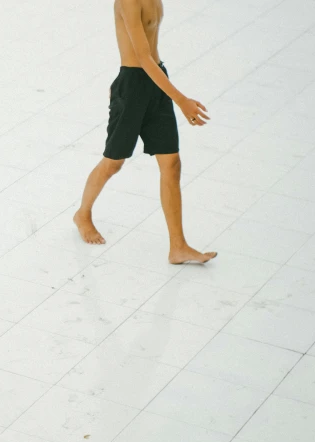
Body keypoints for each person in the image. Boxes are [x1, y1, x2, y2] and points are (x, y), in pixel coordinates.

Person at [73, 0, 217, 264]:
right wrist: (181, 99)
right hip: (132, 88)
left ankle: (178, 246)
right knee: (113, 164)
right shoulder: (128, 1)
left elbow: (153, 55)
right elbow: (141, 57)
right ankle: (82, 214)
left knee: (171, 164)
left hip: (156, 82)